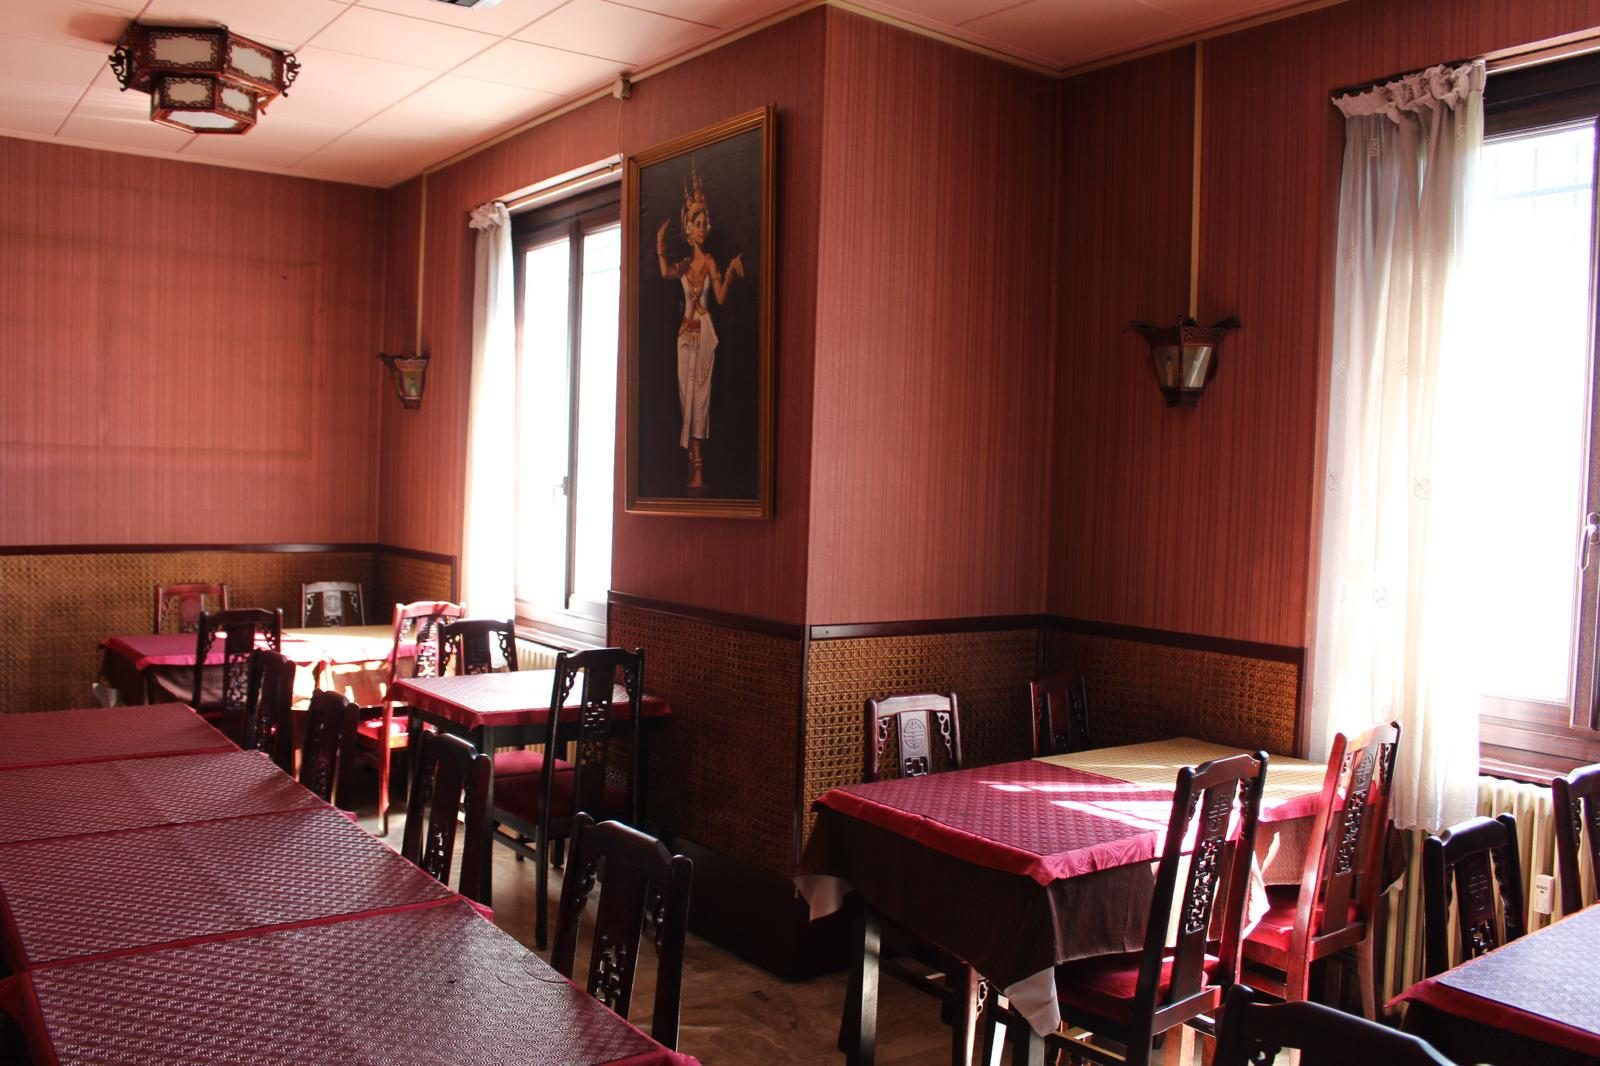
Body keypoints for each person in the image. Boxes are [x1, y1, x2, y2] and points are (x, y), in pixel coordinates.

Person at [656, 162, 744, 490]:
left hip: (704, 336)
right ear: (689, 228)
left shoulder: (709, 263)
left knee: (700, 402)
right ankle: (690, 465)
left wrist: (730, 271)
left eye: (705, 222)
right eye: (698, 223)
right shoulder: (682, 265)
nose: (703, 227)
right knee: (686, 401)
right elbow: (665, 272)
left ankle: (699, 469)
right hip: (684, 338)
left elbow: (718, 297)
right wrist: (660, 243)